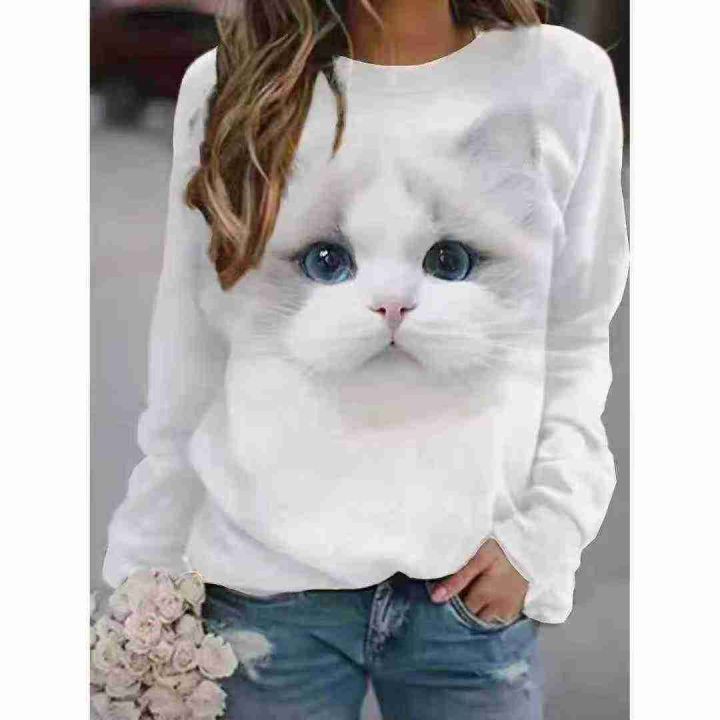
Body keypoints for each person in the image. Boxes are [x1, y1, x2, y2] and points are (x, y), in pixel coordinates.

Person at [101, 1, 629, 717]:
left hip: (468, 597)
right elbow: (188, 356)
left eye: (447, 260)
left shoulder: (561, 77)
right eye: (327, 260)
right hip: (260, 593)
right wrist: (146, 576)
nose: (391, 307)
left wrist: (546, 537)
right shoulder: (227, 82)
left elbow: (577, 333)